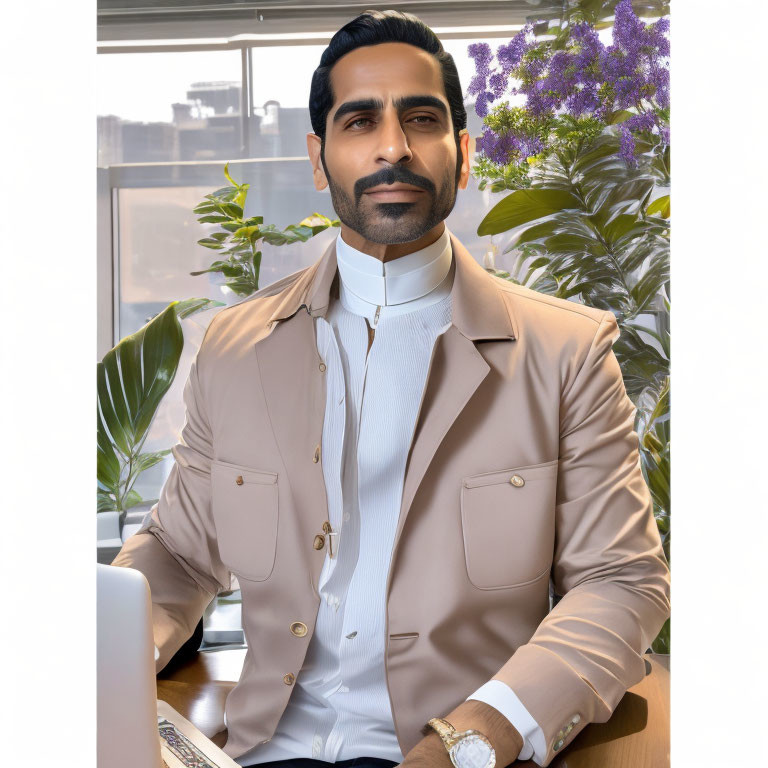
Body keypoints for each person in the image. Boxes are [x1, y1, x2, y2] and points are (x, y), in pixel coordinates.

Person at [112, 9, 670, 768]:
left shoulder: (566, 353)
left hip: (454, 752)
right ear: (319, 159)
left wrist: (474, 739)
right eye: (359, 121)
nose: (393, 147)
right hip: (260, 751)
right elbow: (179, 553)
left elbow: (621, 582)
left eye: (421, 118)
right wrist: (108, 664)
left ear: (463, 153)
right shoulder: (234, 350)